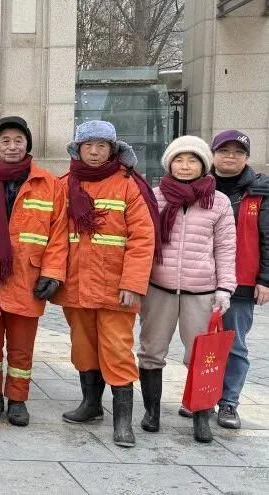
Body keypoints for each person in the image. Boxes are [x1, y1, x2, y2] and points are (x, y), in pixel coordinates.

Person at [52, 121, 158, 449]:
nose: (94, 152)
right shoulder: (64, 184)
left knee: (117, 351)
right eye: (88, 145)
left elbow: (142, 239)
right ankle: (91, 404)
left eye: (101, 146)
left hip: (116, 289)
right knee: (83, 348)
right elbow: (54, 234)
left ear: (112, 150)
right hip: (75, 285)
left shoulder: (127, 185)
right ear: (78, 149)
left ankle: (122, 421)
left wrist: (133, 283)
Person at [0, 116, 69, 427]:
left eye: (18, 141)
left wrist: (53, 272)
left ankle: (17, 399)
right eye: (5, 141)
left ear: (28, 145)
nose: (12, 146)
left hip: (28, 277)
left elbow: (59, 233)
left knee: (22, 348)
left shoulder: (48, 184)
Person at [137, 135, 236, 443]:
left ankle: (200, 416)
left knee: (201, 355)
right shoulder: (154, 196)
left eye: (192, 160)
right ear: (169, 164)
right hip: (159, 287)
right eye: (178, 160)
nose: (185, 165)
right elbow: (141, 240)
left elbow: (225, 247)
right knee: (151, 352)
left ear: (204, 165)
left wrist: (225, 287)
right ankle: (152, 412)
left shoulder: (218, 201)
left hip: (201, 291)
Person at [212, 130, 269, 429]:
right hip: (202, 278)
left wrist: (266, 279)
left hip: (242, 280)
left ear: (247, 157)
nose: (230, 156)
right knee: (201, 342)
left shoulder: (261, 190)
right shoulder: (200, 185)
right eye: (224, 150)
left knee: (235, 344)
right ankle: (201, 395)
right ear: (213, 154)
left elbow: (267, 236)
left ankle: (229, 402)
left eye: (238, 152)